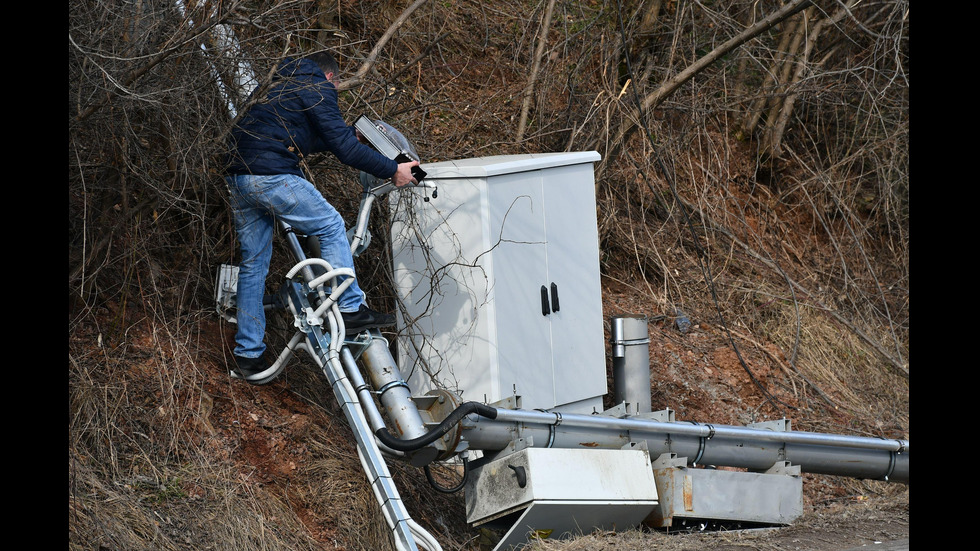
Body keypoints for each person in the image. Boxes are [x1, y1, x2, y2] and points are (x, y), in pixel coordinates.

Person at [225, 51, 418, 385]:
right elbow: (345, 151)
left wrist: (346, 137)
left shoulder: (277, 83)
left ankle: (248, 354)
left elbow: (303, 138)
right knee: (329, 224)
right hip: (270, 175)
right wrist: (393, 170)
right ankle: (349, 307)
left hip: (239, 176)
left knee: (254, 264)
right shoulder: (318, 87)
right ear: (332, 78)